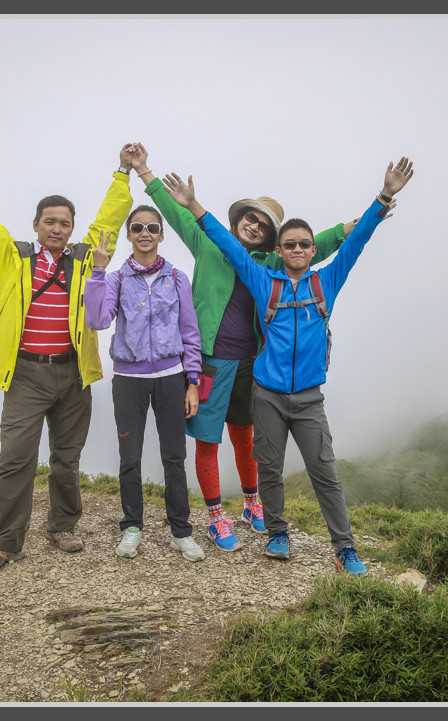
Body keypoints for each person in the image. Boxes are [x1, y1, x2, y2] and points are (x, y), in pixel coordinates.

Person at [161, 157, 414, 576]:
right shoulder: (264, 281)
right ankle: (277, 533)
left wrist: (384, 196)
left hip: (309, 397)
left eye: (304, 245)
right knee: (271, 468)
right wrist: (194, 206)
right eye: (290, 245)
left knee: (325, 474)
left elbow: (355, 242)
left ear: (313, 251)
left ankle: (344, 548)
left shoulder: (325, 282)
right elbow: (226, 245)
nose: (297, 249)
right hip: (267, 395)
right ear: (278, 251)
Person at [124, 142, 361, 554]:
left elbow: (310, 246)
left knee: (247, 436)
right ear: (238, 221)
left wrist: (348, 228)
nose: (254, 226)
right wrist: (145, 172)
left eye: (263, 225)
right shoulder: (208, 243)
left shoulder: (269, 264)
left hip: (253, 361)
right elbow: (180, 215)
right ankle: (215, 516)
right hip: (211, 361)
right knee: (207, 437)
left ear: (269, 237)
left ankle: (252, 504)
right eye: (250, 218)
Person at [0, 142, 133, 571]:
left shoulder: (84, 258)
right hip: (25, 375)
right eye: (50, 222)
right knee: (15, 460)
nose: (57, 229)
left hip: (74, 374)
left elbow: (110, 221)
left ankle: (62, 525)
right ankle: (5, 542)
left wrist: (122, 172)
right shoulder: (12, 257)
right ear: (37, 225)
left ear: (73, 228)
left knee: (67, 459)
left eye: (65, 223)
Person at [83, 206, 206, 562]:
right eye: (137, 227)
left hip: (171, 378)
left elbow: (190, 332)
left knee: (174, 457)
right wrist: (98, 270)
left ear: (162, 234)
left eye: (152, 227)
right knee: (130, 458)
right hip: (129, 380)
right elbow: (97, 319)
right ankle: (132, 528)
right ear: (129, 235)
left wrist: (192, 381)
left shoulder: (177, 278)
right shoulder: (116, 278)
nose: (145, 233)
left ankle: (181, 533)